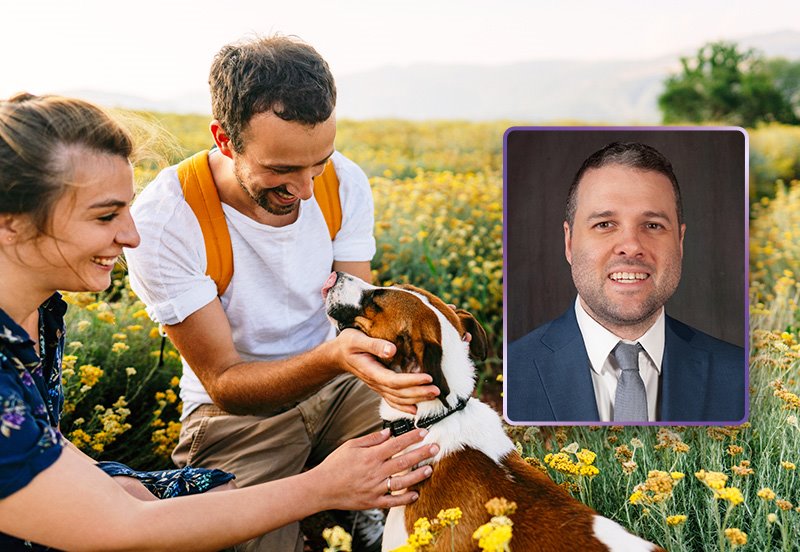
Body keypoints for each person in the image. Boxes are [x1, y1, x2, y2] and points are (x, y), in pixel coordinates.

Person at [0, 93, 436, 551]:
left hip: (333, 387)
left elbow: (46, 448)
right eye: (107, 215)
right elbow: (119, 526)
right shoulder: (172, 214)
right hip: (232, 415)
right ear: (10, 223)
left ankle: (361, 517)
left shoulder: (40, 312)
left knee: (217, 493)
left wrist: (131, 488)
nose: (132, 236)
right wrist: (323, 487)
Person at [124, 36, 440, 551]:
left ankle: (365, 514)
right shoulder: (165, 221)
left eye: (319, 163)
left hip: (343, 382)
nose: (306, 189)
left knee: (451, 448)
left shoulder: (343, 182)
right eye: (281, 169)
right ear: (224, 140)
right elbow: (225, 383)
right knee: (236, 538)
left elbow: (358, 314)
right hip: (240, 417)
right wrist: (336, 356)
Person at [506, 141, 745, 424]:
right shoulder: (509, 375)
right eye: (605, 225)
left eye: (653, 225)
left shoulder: (744, 378)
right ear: (569, 242)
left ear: (680, 242)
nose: (631, 246)